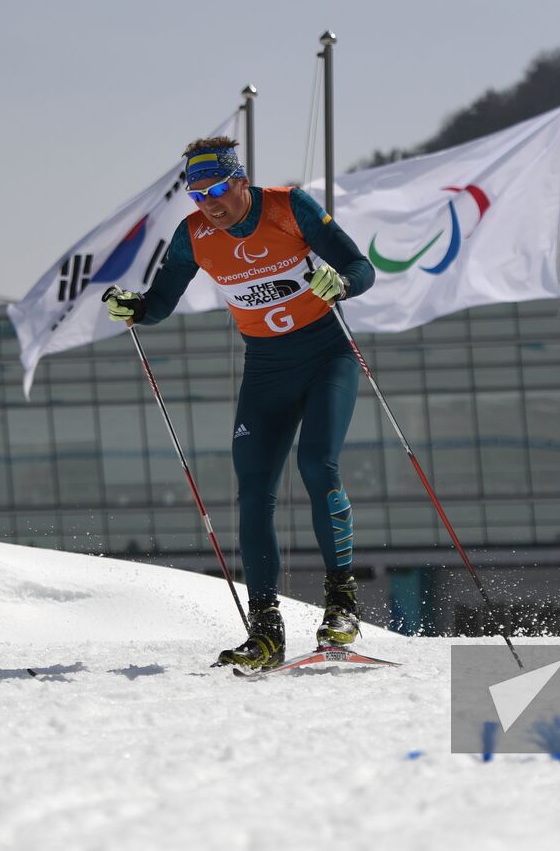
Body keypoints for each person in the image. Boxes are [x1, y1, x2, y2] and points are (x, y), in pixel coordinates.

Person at [105, 138, 375, 669]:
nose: (209, 202)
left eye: (218, 189)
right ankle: (266, 631)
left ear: (241, 181)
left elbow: (361, 267)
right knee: (253, 493)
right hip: (267, 370)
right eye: (196, 192)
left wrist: (339, 283)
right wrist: (135, 307)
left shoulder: (288, 207)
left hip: (326, 357)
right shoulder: (194, 236)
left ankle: (341, 605)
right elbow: (161, 302)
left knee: (317, 465)